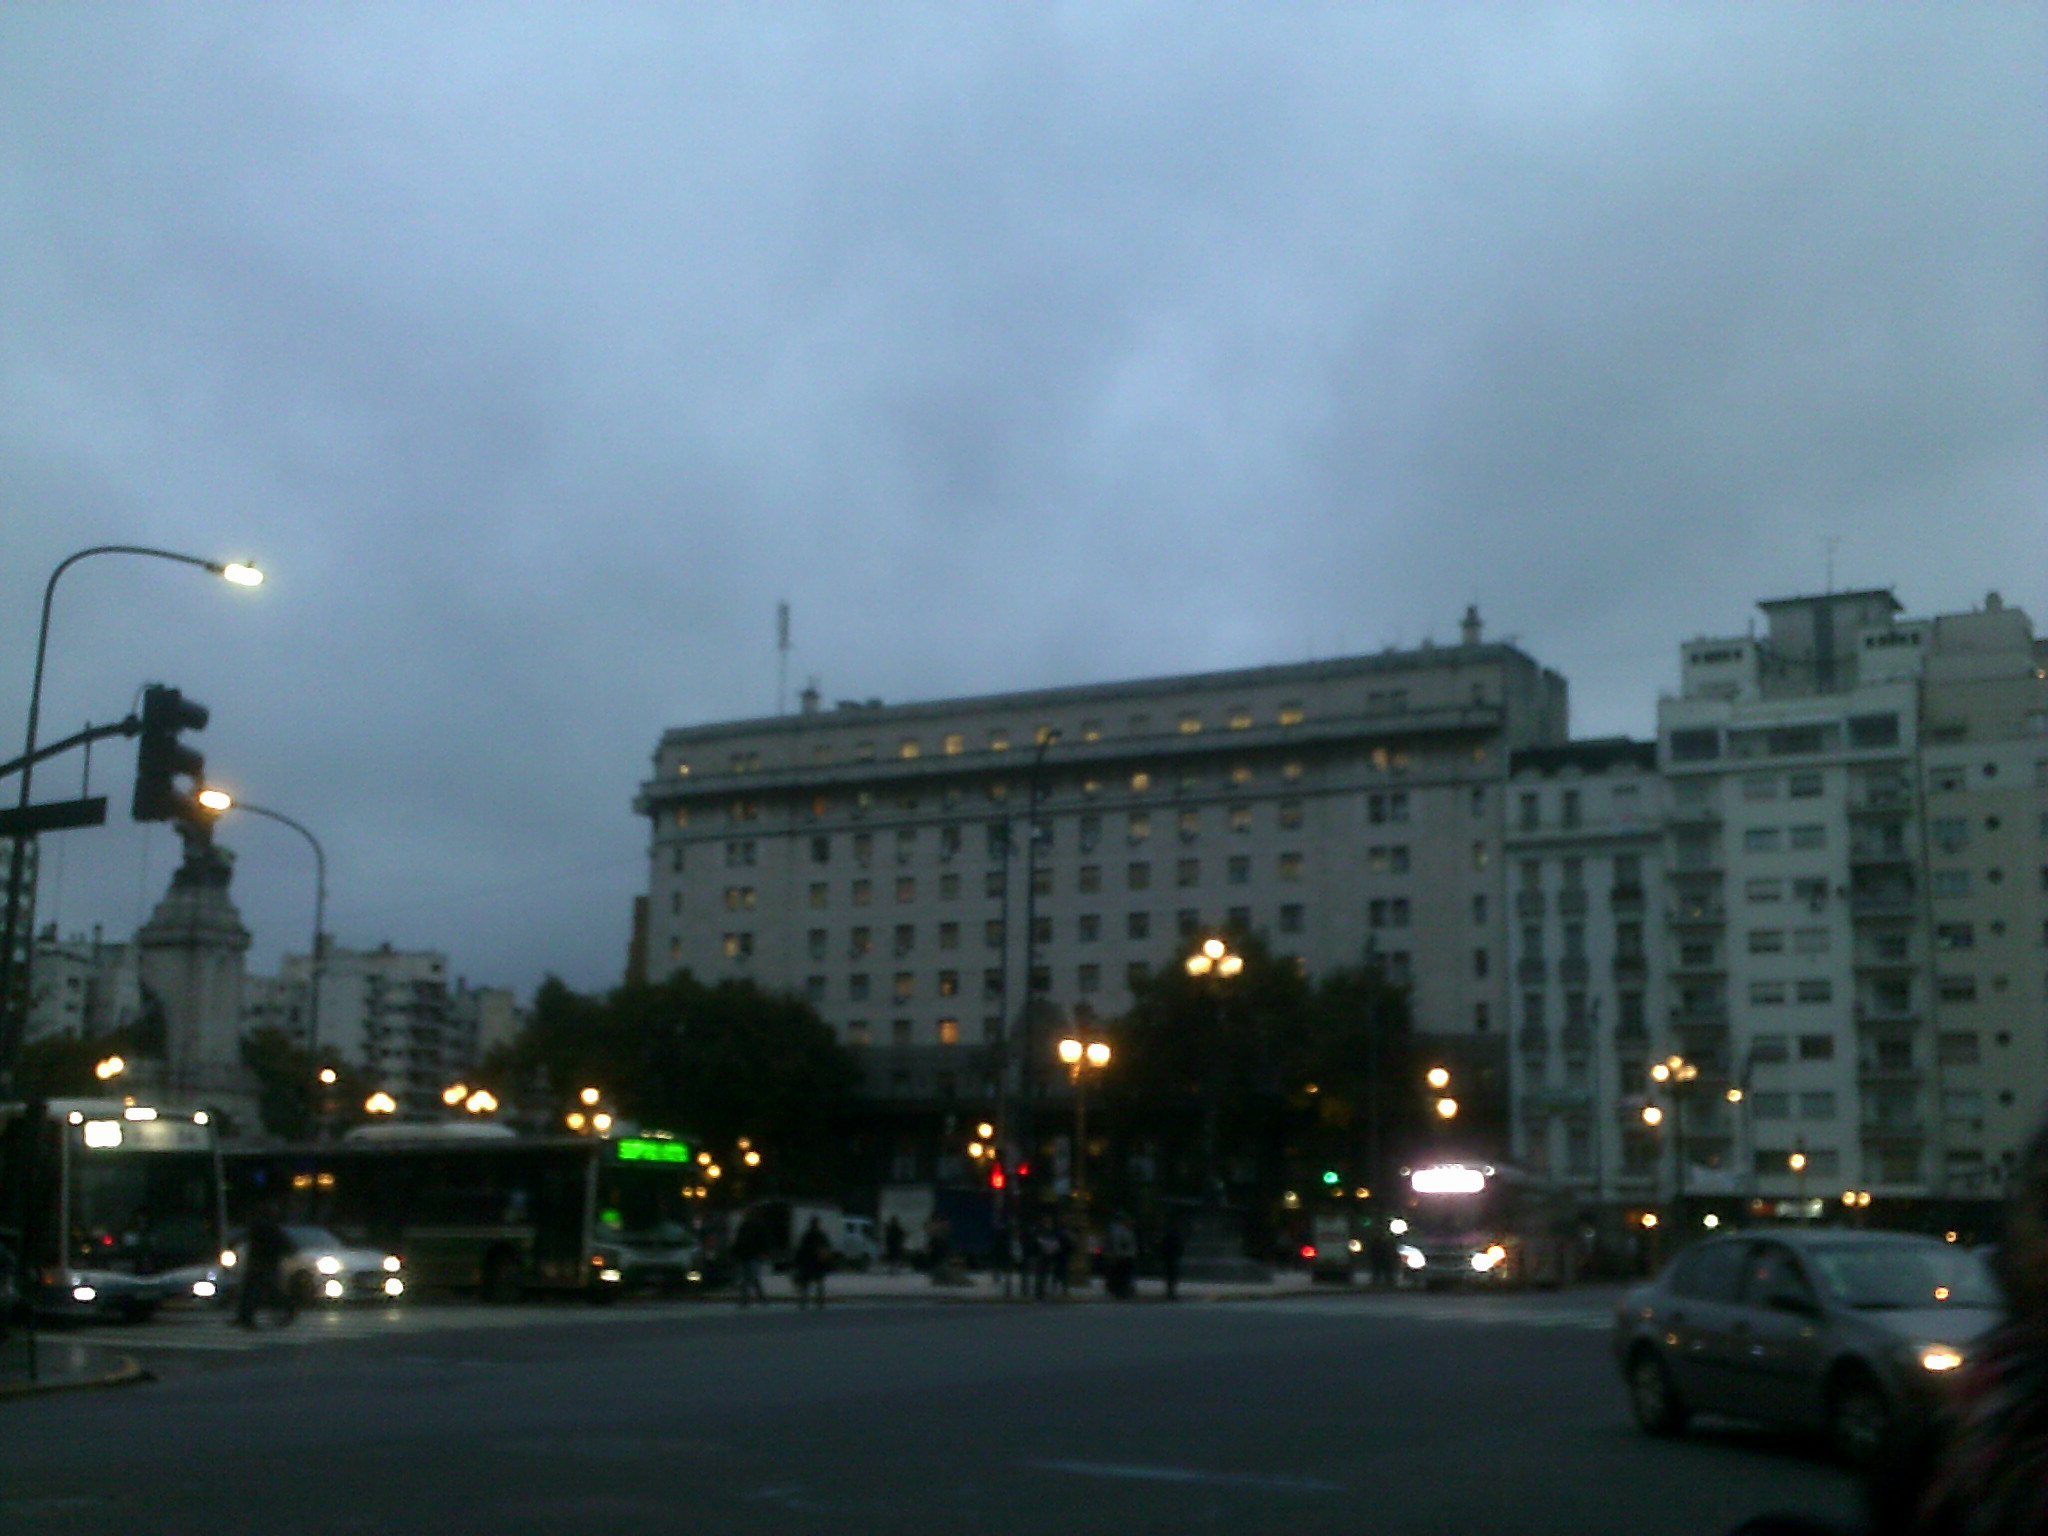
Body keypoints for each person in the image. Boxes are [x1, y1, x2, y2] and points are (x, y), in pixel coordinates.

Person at [236, 1203, 296, 1328]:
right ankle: (245, 1317)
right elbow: (285, 1244)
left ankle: (245, 1317)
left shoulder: (259, 1226)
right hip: (267, 1263)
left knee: (255, 1290)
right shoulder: (270, 1227)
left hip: (259, 1263)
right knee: (263, 1289)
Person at [731, 1209, 769, 1307]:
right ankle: (754, 1300)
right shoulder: (752, 1227)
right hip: (750, 1256)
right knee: (751, 1279)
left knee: (748, 1279)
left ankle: (748, 1300)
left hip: (749, 1256)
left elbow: (738, 1241)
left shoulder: (747, 1227)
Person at [792, 1216, 831, 1309]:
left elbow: (800, 1250)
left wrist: (797, 1263)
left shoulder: (807, 1235)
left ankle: (804, 1302)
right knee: (819, 1283)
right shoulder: (821, 1235)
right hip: (818, 1263)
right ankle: (819, 1302)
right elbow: (827, 1249)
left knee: (806, 1285)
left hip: (808, 1263)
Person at [1159, 1218, 1184, 1301]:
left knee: (1170, 1277)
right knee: (1172, 1276)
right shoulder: (1175, 1235)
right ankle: (1171, 1293)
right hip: (1172, 1257)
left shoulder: (1168, 1235)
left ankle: (1170, 1292)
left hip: (1170, 1257)